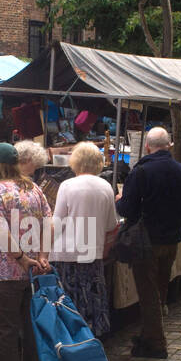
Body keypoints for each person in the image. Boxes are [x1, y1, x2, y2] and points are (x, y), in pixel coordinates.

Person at [115, 126, 181, 359]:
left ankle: (157, 344)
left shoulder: (141, 172)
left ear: (147, 147)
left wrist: (119, 200)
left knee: (149, 293)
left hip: (146, 240)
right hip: (171, 239)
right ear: (169, 145)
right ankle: (148, 337)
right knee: (158, 290)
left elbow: (126, 209)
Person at [0, 143, 51, 361]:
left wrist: (21, 258)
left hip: (6, 272)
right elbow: (48, 223)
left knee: (7, 329)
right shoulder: (33, 188)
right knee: (32, 326)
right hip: (34, 271)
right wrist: (42, 256)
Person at [51, 141, 119, 337]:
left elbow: (57, 221)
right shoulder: (106, 187)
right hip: (92, 253)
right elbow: (110, 227)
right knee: (91, 300)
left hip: (66, 253)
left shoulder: (67, 185)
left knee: (68, 301)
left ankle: (70, 341)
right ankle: (91, 340)